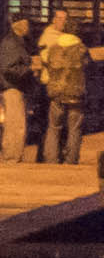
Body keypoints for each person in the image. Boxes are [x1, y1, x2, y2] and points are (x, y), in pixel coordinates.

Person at [40, 19, 90, 166]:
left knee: (54, 127)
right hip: (75, 93)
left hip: (56, 92)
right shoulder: (81, 49)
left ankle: (51, 160)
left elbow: (48, 63)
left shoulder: (54, 48)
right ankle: (71, 160)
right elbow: (89, 67)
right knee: (75, 128)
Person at [1, 17, 37, 161]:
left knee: (16, 124)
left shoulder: (17, 42)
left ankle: (13, 156)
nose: (27, 27)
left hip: (16, 87)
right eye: (25, 24)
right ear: (19, 25)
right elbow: (7, 68)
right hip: (12, 87)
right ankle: (11, 157)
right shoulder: (12, 43)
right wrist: (29, 69)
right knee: (15, 125)